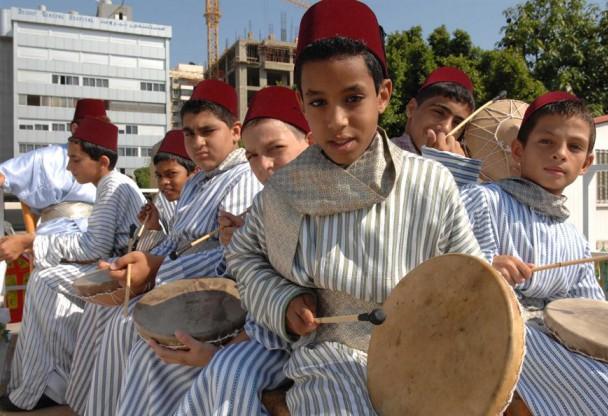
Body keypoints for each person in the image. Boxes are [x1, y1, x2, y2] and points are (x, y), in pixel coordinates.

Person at [227, 1, 482, 414]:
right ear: (301, 102)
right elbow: (244, 256)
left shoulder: (430, 183)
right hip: (328, 358)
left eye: (352, 98)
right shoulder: (283, 190)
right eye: (318, 103)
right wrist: (284, 301)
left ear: (383, 96)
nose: (337, 120)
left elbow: (468, 273)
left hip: (421, 353)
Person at [67, 80, 262, 416]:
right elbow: (174, 243)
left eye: (207, 131)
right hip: (181, 290)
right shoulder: (199, 180)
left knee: (127, 327)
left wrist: (156, 270)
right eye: (189, 133)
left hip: (219, 303)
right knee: (109, 314)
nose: (197, 143)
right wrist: (140, 261)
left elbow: (230, 258)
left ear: (235, 131)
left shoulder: (245, 176)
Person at [121, 85, 311, 416]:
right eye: (254, 155)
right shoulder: (262, 200)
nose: (264, 165)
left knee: (228, 373)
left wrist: (157, 270)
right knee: (140, 343)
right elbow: (241, 267)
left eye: (276, 149)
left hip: (286, 337)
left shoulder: (254, 184)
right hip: (252, 322)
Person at [460, 91, 608, 415]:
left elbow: (588, 311)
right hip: (502, 333)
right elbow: (449, 272)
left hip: (556, 338)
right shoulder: (484, 201)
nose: (559, 154)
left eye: (574, 147)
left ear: (586, 164)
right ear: (518, 150)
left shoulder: (574, 237)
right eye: (546, 142)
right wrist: (487, 268)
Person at [0, 117, 146, 411]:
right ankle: (47, 383)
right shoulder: (114, 183)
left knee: (45, 280)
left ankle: (48, 386)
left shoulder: (111, 186)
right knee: (49, 279)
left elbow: (94, 247)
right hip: (115, 265)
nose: (69, 168)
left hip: (124, 272)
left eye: (75, 160)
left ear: (102, 161)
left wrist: (30, 242)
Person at [64, 129, 195, 413]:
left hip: (186, 287)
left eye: (172, 174)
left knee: (123, 321)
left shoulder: (197, 198)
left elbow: (188, 255)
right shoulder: (167, 201)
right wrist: (152, 227)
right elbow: (156, 247)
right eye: (159, 176)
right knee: (100, 310)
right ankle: (87, 401)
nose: (164, 182)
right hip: (160, 278)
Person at [0, 99, 105, 261]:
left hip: (99, 235)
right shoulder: (47, 157)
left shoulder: (105, 162)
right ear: (75, 128)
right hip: (56, 234)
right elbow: (3, 175)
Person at [391, 67, 483, 186]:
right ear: (411, 108)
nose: (446, 128)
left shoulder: (469, 176)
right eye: (439, 113)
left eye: (457, 123)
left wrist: (459, 173)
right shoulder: (382, 156)